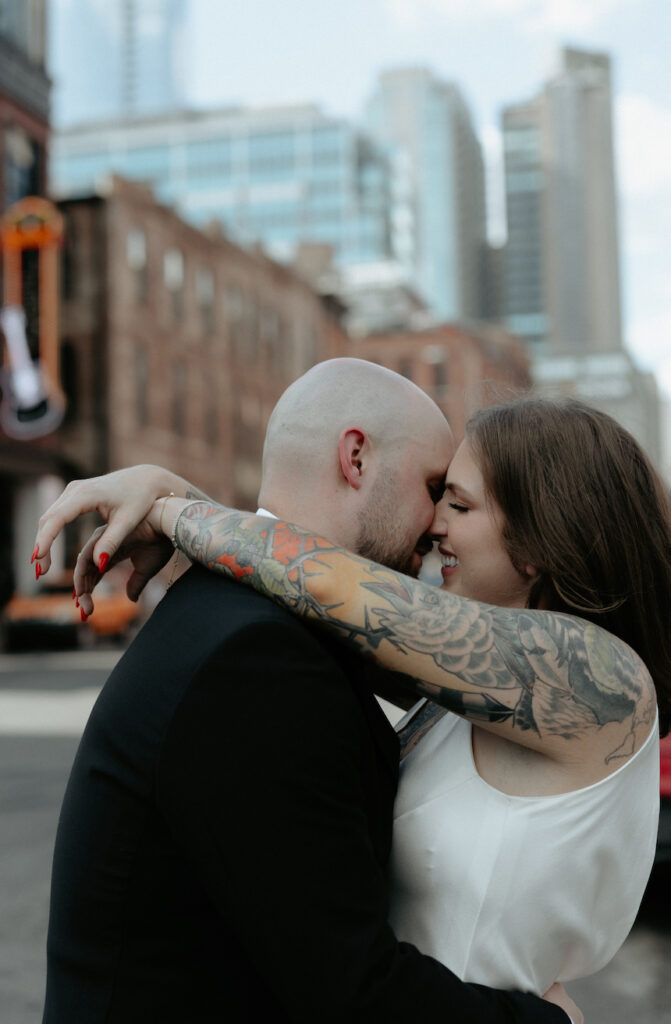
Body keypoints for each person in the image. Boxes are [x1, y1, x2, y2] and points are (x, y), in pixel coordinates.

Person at [35, 360, 580, 1023]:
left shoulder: (245, 616)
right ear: (355, 458)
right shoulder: (258, 658)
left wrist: (178, 503)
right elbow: (350, 992)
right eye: (435, 487)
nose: (437, 527)